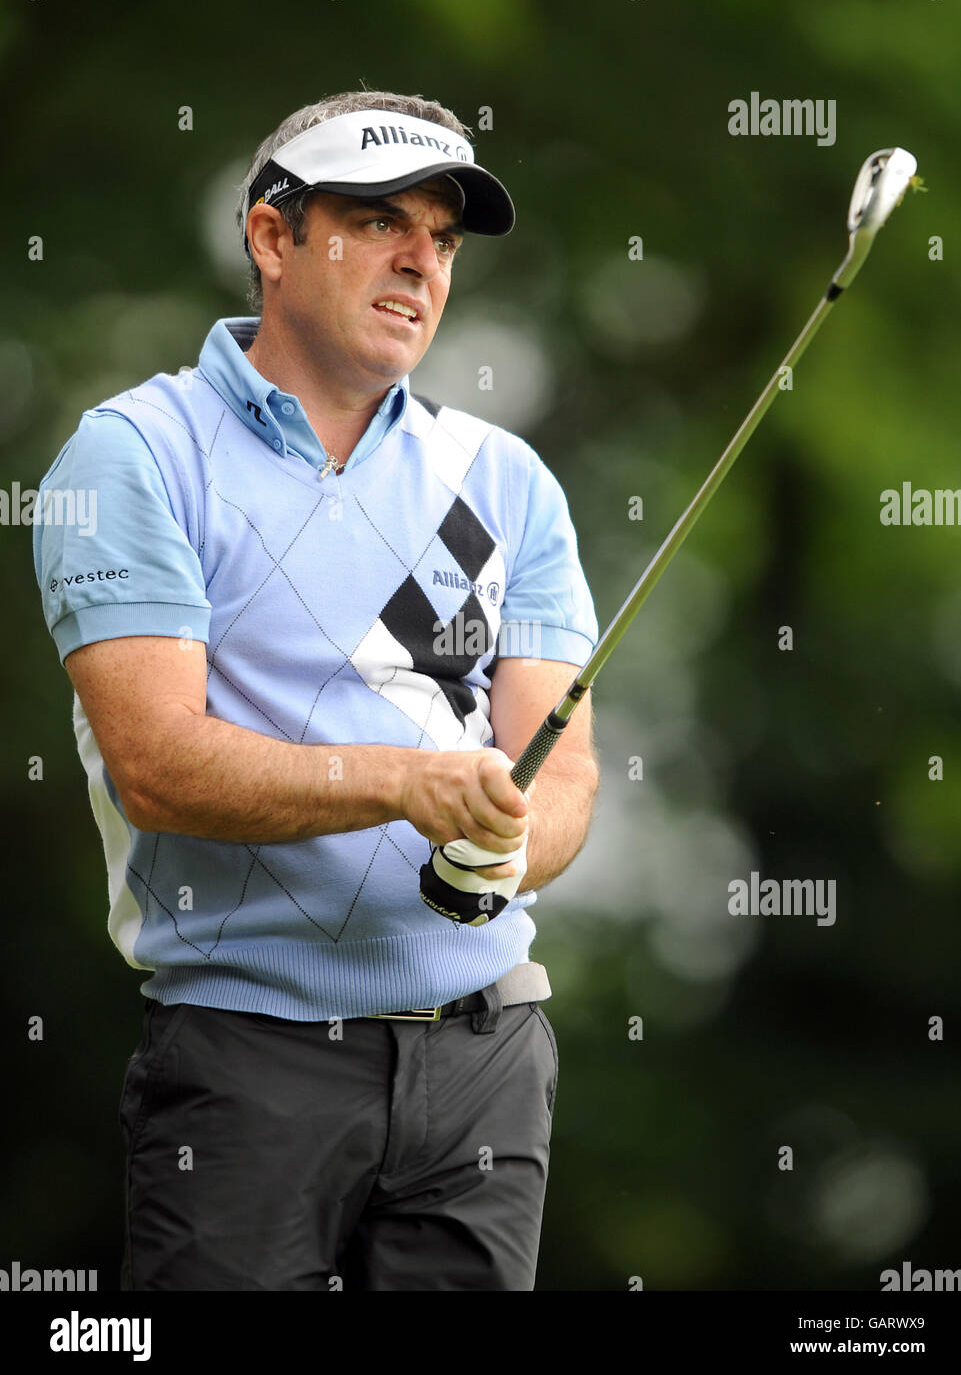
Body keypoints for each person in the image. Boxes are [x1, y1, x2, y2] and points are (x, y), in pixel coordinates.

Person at [33, 89, 599, 1292]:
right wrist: (412, 785)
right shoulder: (135, 455)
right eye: (378, 219)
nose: (419, 261)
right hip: (247, 1058)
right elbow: (158, 763)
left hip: (487, 1054)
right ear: (274, 237)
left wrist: (507, 842)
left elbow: (567, 772)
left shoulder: (507, 480)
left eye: (442, 238)